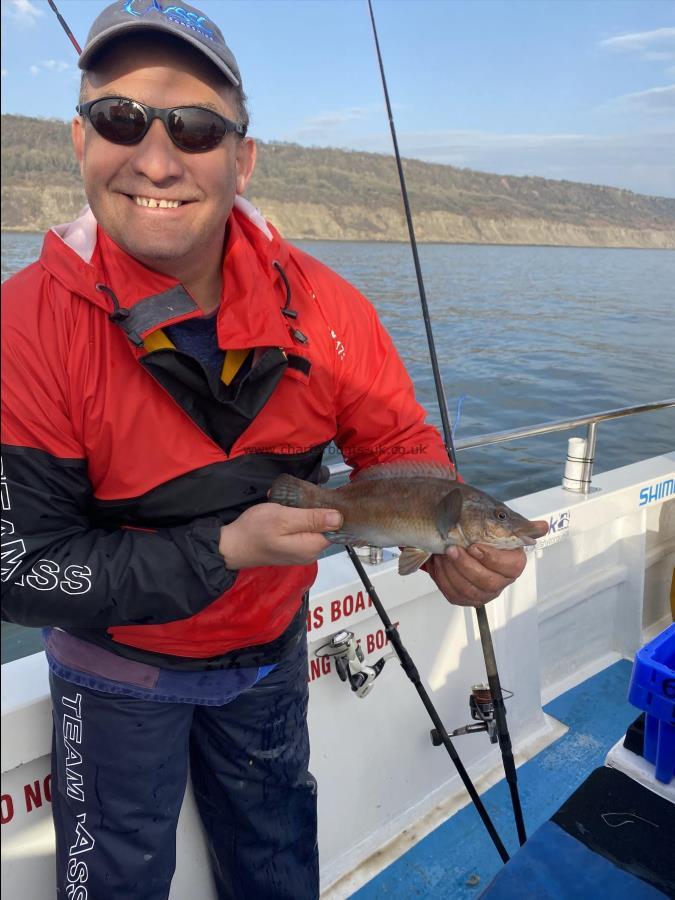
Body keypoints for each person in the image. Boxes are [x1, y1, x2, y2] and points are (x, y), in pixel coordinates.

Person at [0, 2, 528, 897]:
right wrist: (221, 551)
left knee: (278, 862)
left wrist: (456, 550)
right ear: (79, 142)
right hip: (114, 671)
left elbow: (400, 448)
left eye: (197, 128)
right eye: (120, 119)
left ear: (242, 158)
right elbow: (20, 571)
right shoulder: (24, 329)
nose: (157, 159)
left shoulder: (329, 311)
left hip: (269, 652)